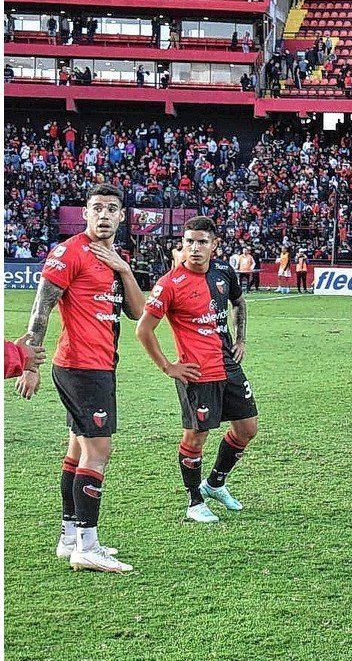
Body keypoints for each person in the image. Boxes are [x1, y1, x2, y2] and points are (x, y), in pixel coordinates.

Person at [17, 183, 146, 573]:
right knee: (98, 452)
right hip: (80, 367)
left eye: (112, 209)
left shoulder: (113, 258)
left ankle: (68, 537)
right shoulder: (69, 252)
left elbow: (138, 313)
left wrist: (123, 269)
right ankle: (88, 545)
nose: (104, 215)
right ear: (85, 214)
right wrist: (29, 364)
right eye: (97, 208)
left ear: (122, 216)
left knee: (77, 450)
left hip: (99, 365)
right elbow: (42, 308)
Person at [136, 216, 258, 524]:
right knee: (196, 437)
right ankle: (194, 502)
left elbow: (239, 303)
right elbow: (143, 330)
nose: (195, 247)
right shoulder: (169, 284)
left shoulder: (224, 272)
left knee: (247, 429)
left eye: (202, 242)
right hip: (196, 372)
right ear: (182, 245)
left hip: (228, 364)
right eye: (189, 241)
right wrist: (168, 366)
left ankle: (215, 484)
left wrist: (240, 338)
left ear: (214, 246)